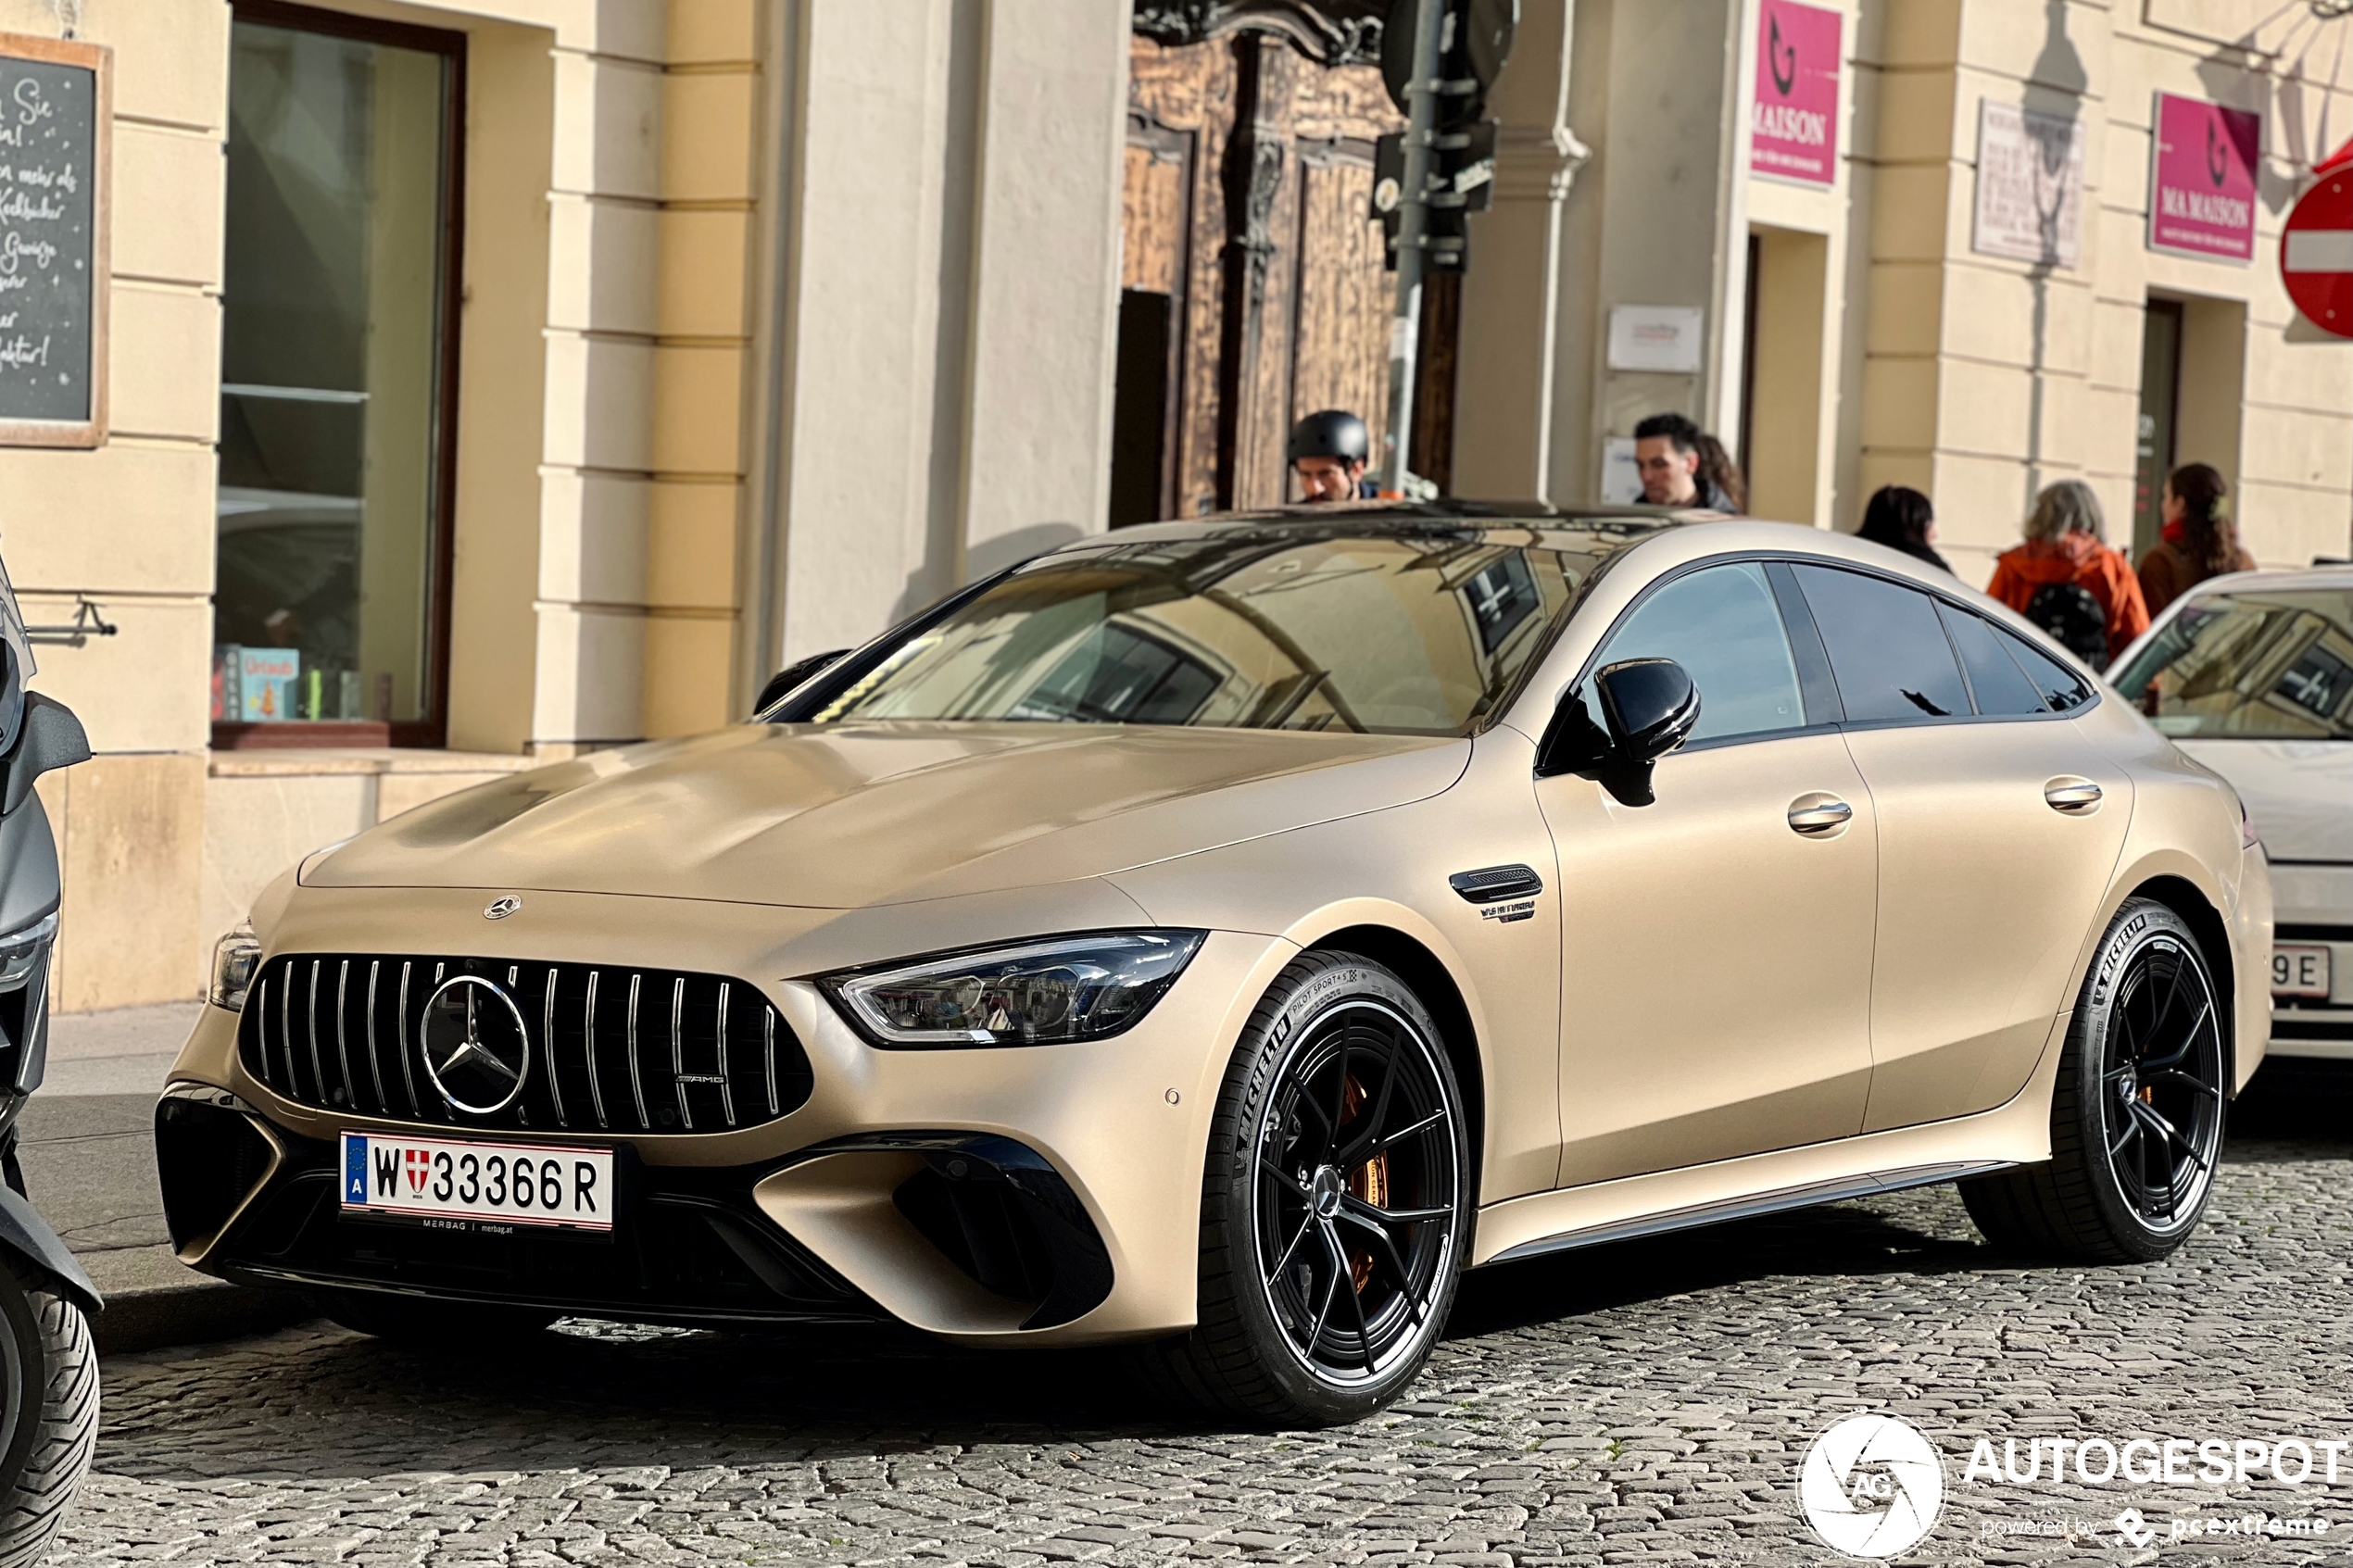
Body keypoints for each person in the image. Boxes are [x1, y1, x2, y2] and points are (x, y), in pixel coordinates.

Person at [1986, 480, 2149, 666]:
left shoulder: (2016, 564)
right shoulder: (2111, 567)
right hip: (2091, 687)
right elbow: (2137, 640)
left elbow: (1987, 629)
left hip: (2023, 680)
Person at [2137, 462, 2255, 618]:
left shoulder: (2160, 562)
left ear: (2180, 504)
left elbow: (2152, 628)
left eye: (2166, 497)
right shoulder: (2242, 560)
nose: (2162, 505)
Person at [1632, 412, 1735, 510]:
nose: (1647, 477)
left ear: (1691, 464)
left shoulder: (1725, 525)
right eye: (1641, 465)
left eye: (1659, 464)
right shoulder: (1631, 521)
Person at [1856, 484, 1951, 572]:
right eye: (1929, 526)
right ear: (1915, 528)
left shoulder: (1851, 555)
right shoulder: (1931, 570)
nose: (1934, 534)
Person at [1287, 409, 1373, 503]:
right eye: (1306, 475)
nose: (1315, 488)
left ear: (1356, 470)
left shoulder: (1385, 513)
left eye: (1326, 474)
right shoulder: (1294, 516)